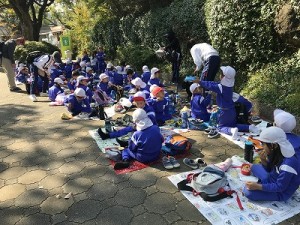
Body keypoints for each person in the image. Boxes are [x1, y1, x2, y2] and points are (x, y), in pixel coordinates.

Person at [199, 66, 259, 138]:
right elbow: (242, 99)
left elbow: (209, 85)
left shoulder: (220, 88)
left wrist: (199, 81)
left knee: (221, 127)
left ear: (223, 76)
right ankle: (249, 128)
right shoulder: (229, 87)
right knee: (233, 125)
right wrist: (249, 108)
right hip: (232, 111)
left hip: (224, 113)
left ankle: (232, 131)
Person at [243, 126, 300, 201]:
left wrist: (258, 186)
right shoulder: (276, 152)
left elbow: (280, 187)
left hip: (280, 192)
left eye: (263, 144)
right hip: (271, 178)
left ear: (274, 145)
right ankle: (265, 183)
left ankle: (265, 186)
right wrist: (263, 160)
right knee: (253, 167)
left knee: (248, 192)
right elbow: (270, 169)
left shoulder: (288, 165)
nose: (262, 147)